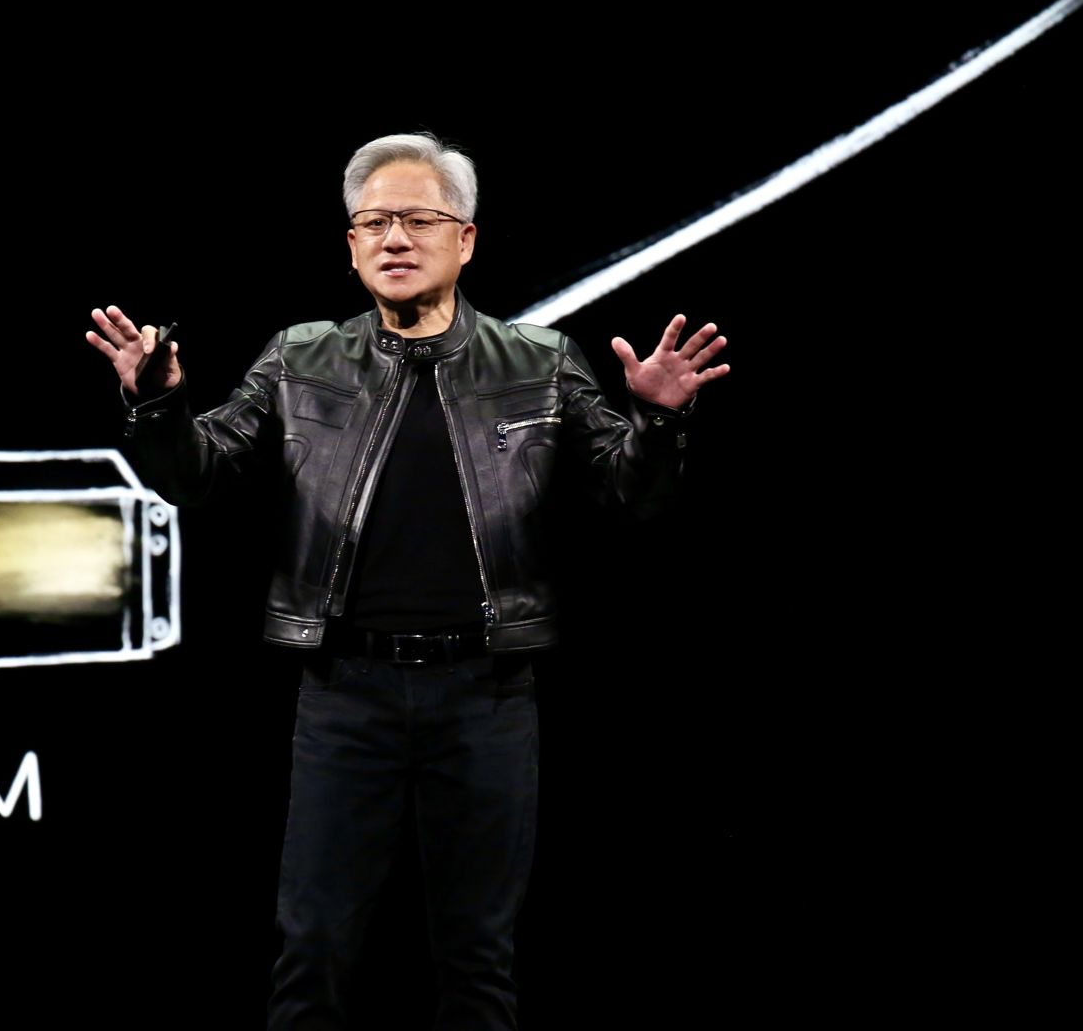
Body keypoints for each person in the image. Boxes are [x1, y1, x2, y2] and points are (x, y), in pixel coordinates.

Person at [86, 132, 728, 1030]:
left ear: (466, 239)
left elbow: (635, 497)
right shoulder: (300, 358)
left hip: (488, 694)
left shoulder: (537, 360)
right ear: (350, 245)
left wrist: (659, 423)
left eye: (419, 219)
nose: (395, 237)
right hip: (344, 693)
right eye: (374, 221)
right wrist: (157, 404)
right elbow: (198, 475)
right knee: (312, 951)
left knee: (478, 960)